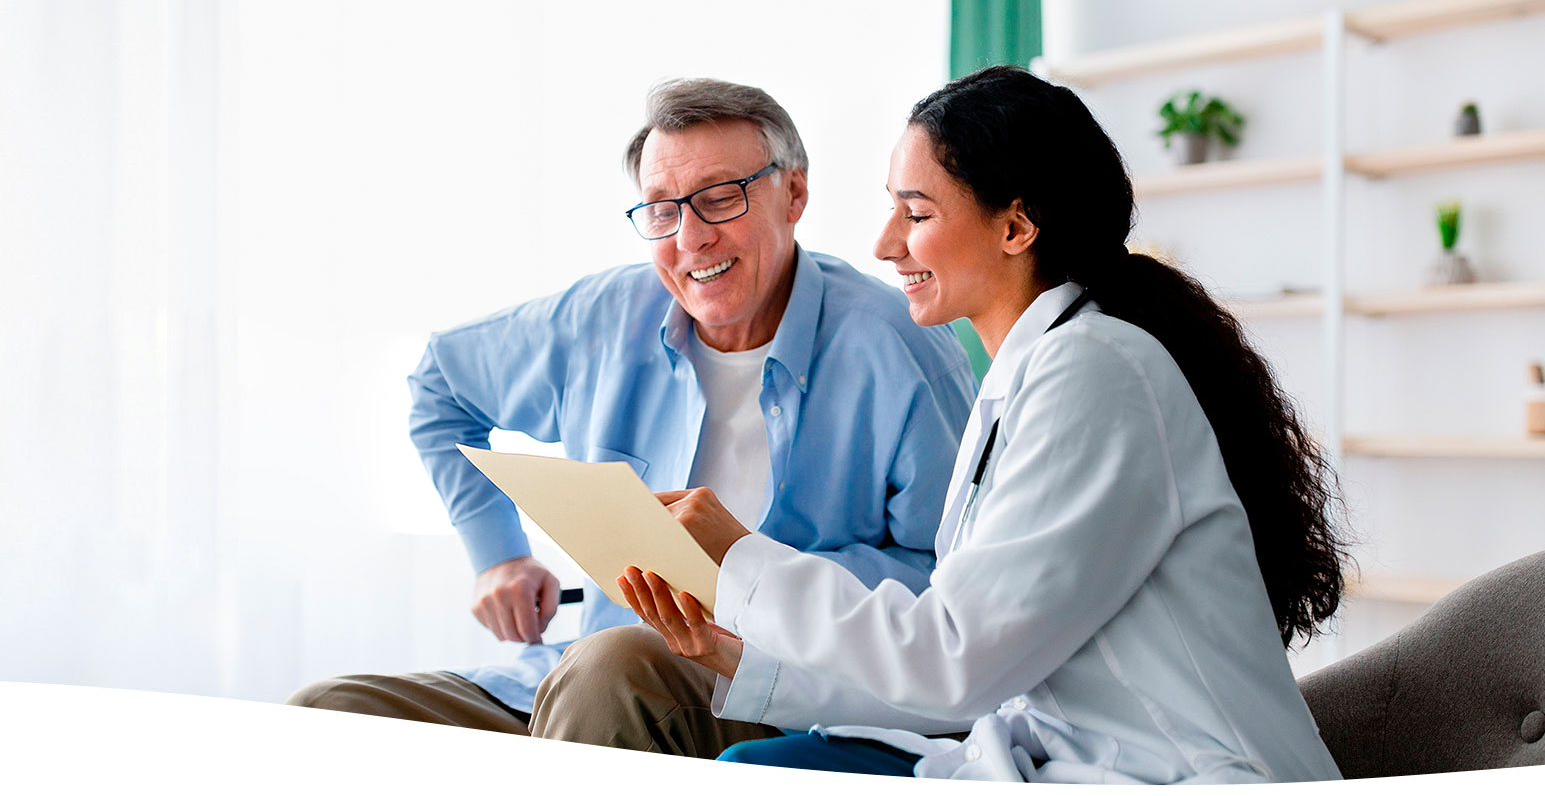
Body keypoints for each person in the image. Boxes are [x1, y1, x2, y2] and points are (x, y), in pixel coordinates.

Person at [620, 65, 1350, 783]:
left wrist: (742, 556)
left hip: (1181, 775)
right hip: (1062, 755)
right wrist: (741, 658)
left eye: (917, 212)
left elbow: (953, 661)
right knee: (753, 763)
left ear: (1016, 224)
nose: (885, 243)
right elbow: (977, 670)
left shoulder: (1096, 371)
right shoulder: (1028, 376)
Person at [286, 78, 977, 759]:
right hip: (578, 682)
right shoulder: (603, 317)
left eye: (718, 199)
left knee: (609, 672)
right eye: (662, 210)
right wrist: (497, 552)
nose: (690, 238)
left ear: (793, 193)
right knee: (327, 713)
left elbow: (950, 593)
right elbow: (440, 385)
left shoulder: (901, 348)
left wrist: (753, 575)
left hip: (777, 686)